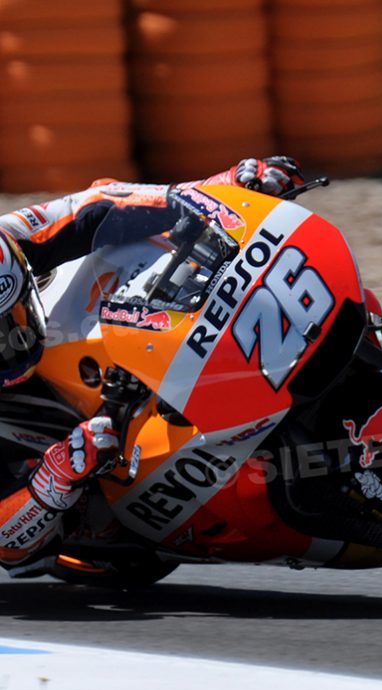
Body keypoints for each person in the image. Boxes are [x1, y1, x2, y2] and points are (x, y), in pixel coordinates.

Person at [0, 156, 304, 570]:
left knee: (141, 243)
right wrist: (53, 480)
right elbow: (6, 547)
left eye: (11, 321)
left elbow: (100, 202)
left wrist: (219, 190)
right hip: (39, 481)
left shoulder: (7, 242)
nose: (13, 342)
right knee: (79, 499)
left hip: (73, 343)